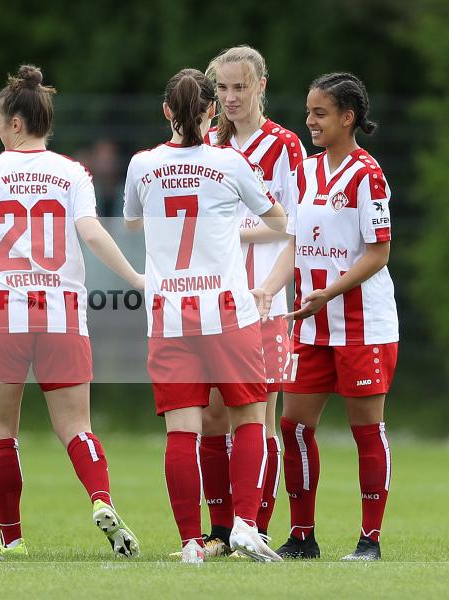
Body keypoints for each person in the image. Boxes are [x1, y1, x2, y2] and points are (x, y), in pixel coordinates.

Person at [0, 65, 142, 558]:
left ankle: (12, 539)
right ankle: (101, 498)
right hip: (62, 313)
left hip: (3, 315)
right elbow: (93, 232)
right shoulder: (71, 172)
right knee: (76, 425)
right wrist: (137, 279)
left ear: (16, 123)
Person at [123, 68, 288, 563]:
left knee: (182, 431)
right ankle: (243, 525)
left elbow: (132, 222)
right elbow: (278, 221)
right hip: (227, 310)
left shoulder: (142, 164)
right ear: (212, 111)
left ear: (167, 112)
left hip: (170, 313)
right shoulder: (230, 162)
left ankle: (191, 542)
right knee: (250, 416)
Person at [258, 72, 398, 561]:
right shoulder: (305, 172)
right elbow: (294, 243)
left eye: (319, 113)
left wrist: (326, 293)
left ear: (347, 117)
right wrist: (269, 290)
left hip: (364, 326)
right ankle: (302, 536)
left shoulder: (367, 173)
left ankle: (370, 540)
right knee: (294, 426)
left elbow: (378, 253)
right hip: (311, 325)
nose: (310, 121)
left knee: (366, 430)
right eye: (308, 111)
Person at [193, 45, 307, 557]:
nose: (231, 97)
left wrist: (232, 232)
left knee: (258, 417)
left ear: (261, 85)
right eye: (222, 88)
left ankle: (253, 527)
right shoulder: (206, 144)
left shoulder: (284, 146)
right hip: (211, 302)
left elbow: (295, 225)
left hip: (262, 302)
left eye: (241, 87)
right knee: (214, 416)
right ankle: (220, 532)